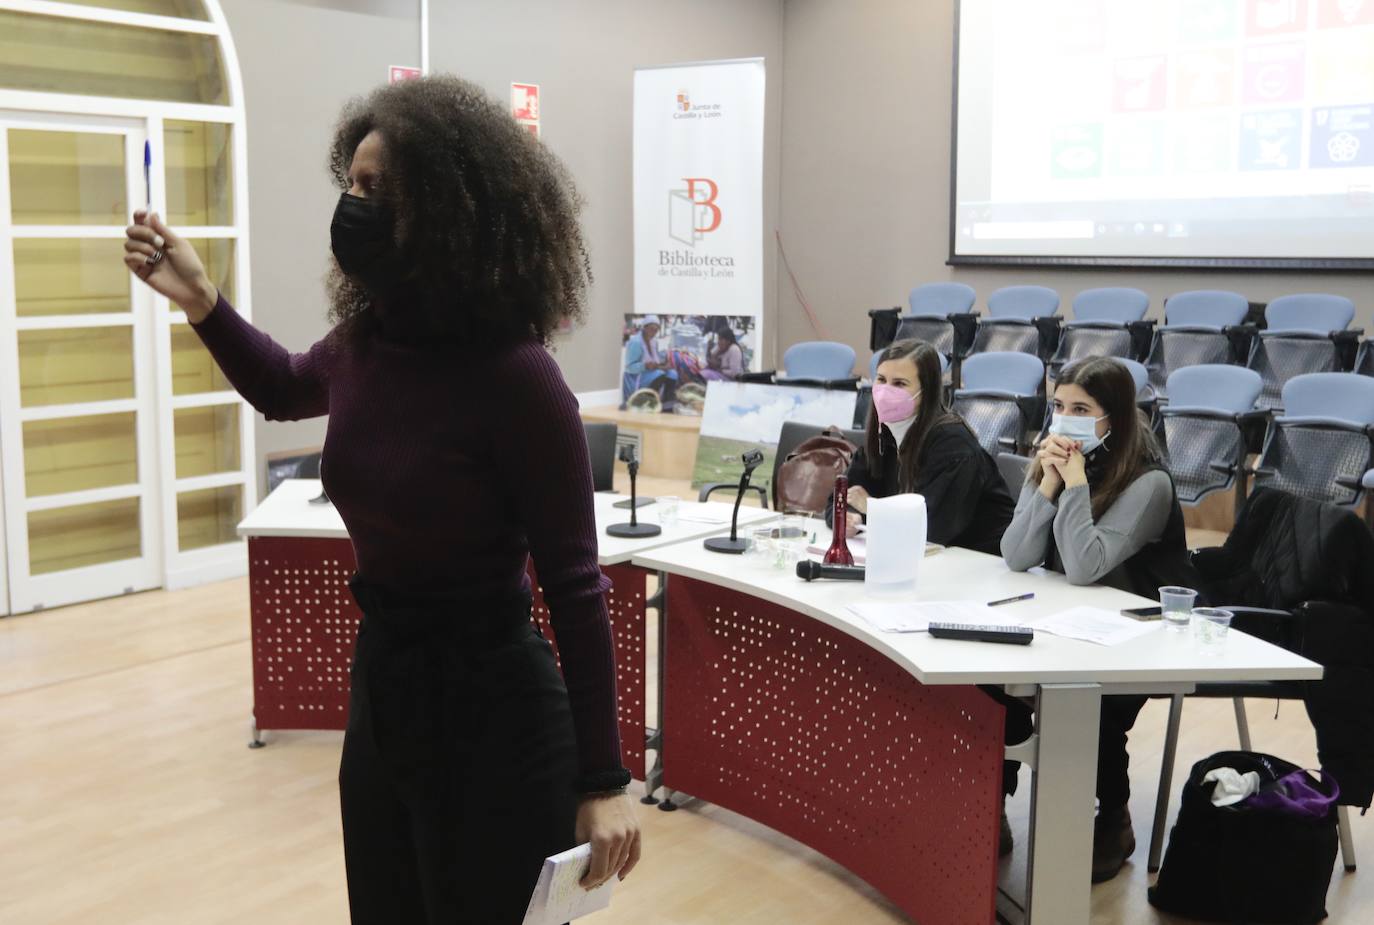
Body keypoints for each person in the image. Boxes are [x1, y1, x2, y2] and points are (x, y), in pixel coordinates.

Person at [123, 75, 640, 923]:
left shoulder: (519, 378)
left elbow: (576, 589)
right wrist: (202, 300)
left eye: (377, 189)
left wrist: (605, 777)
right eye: (351, 183)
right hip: (387, 689)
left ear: (445, 211)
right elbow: (284, 385)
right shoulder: (367, 342)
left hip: (496, 711)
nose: (353, 204)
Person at [1001, 356, 1196, 884]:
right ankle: (993, 801)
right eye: (1059, 406)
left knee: (1090, 701)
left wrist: (1076, 485)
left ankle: (1113, 818)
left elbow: (1087, 566)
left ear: (1115, 419)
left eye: (1081, 409)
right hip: (1069, 621)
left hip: (1139, 632)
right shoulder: (1054, 461)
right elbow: (1016, 555)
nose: (1065, 420)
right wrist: (1044, 484)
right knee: (997, 680)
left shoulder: (1148, 482)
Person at [835, 339, 1015, 556]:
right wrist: (848, 518)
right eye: (881, 380)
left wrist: (872, 509)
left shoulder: (953, 444)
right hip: (923, 556)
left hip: (979, 561)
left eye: (900, 384)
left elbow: (933, 530)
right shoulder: (884, 432)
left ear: (926, 391)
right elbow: (840, 498)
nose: (885, 391)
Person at [621, 315, 678, 409]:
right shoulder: (636, 342)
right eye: (651, 329)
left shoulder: (654, 342)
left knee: (672, 374)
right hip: (636, 376)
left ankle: (667, 402)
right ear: (645, 327)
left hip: (650, 372)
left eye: (656, 330)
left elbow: (655, 361)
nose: (654, 332)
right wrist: (644, 366)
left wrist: (664, 364)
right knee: (659, 374)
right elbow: (629, 367)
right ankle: (647, 401)